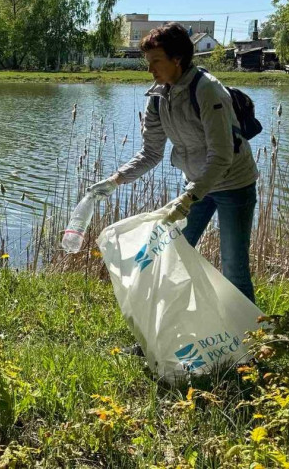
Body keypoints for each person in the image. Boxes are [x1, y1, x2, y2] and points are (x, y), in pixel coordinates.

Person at [88, 22, 259, 335]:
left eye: (156, 61)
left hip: (234, 184)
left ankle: (252, 338)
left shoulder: (208, 90)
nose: (150, 69)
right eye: (147, 62)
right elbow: (151, 153)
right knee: (171, 257)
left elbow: (222, 156)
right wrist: (115, 180)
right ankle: (164, 336)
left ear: (178, 59)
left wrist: (187, 198)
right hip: (195, 186)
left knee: (233, 264)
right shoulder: (157, 98)